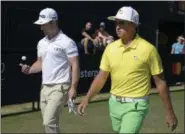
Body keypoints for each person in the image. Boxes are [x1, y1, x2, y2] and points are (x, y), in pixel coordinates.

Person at [77, 6, 178, 133]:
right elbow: (101, 77)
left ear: (133, 25)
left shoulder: (148, 50)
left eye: (122, 22)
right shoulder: (110, 48)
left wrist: (170, 113)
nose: (117, 26)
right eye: (116, 23)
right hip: (114, 104)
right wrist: (87, 99)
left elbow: (160, 82)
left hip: (136, 105)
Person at [19, 8, 79, 133]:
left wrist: (73, 87)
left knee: (48, 121)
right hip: (44, 88)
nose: (41, 28)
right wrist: (30, 69)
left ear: (53, 22)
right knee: (51, 124)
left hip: (60, 87)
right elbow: (40, 63)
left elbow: (75, 65)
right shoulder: (41, 43)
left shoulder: (67, 42)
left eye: (43, 24)